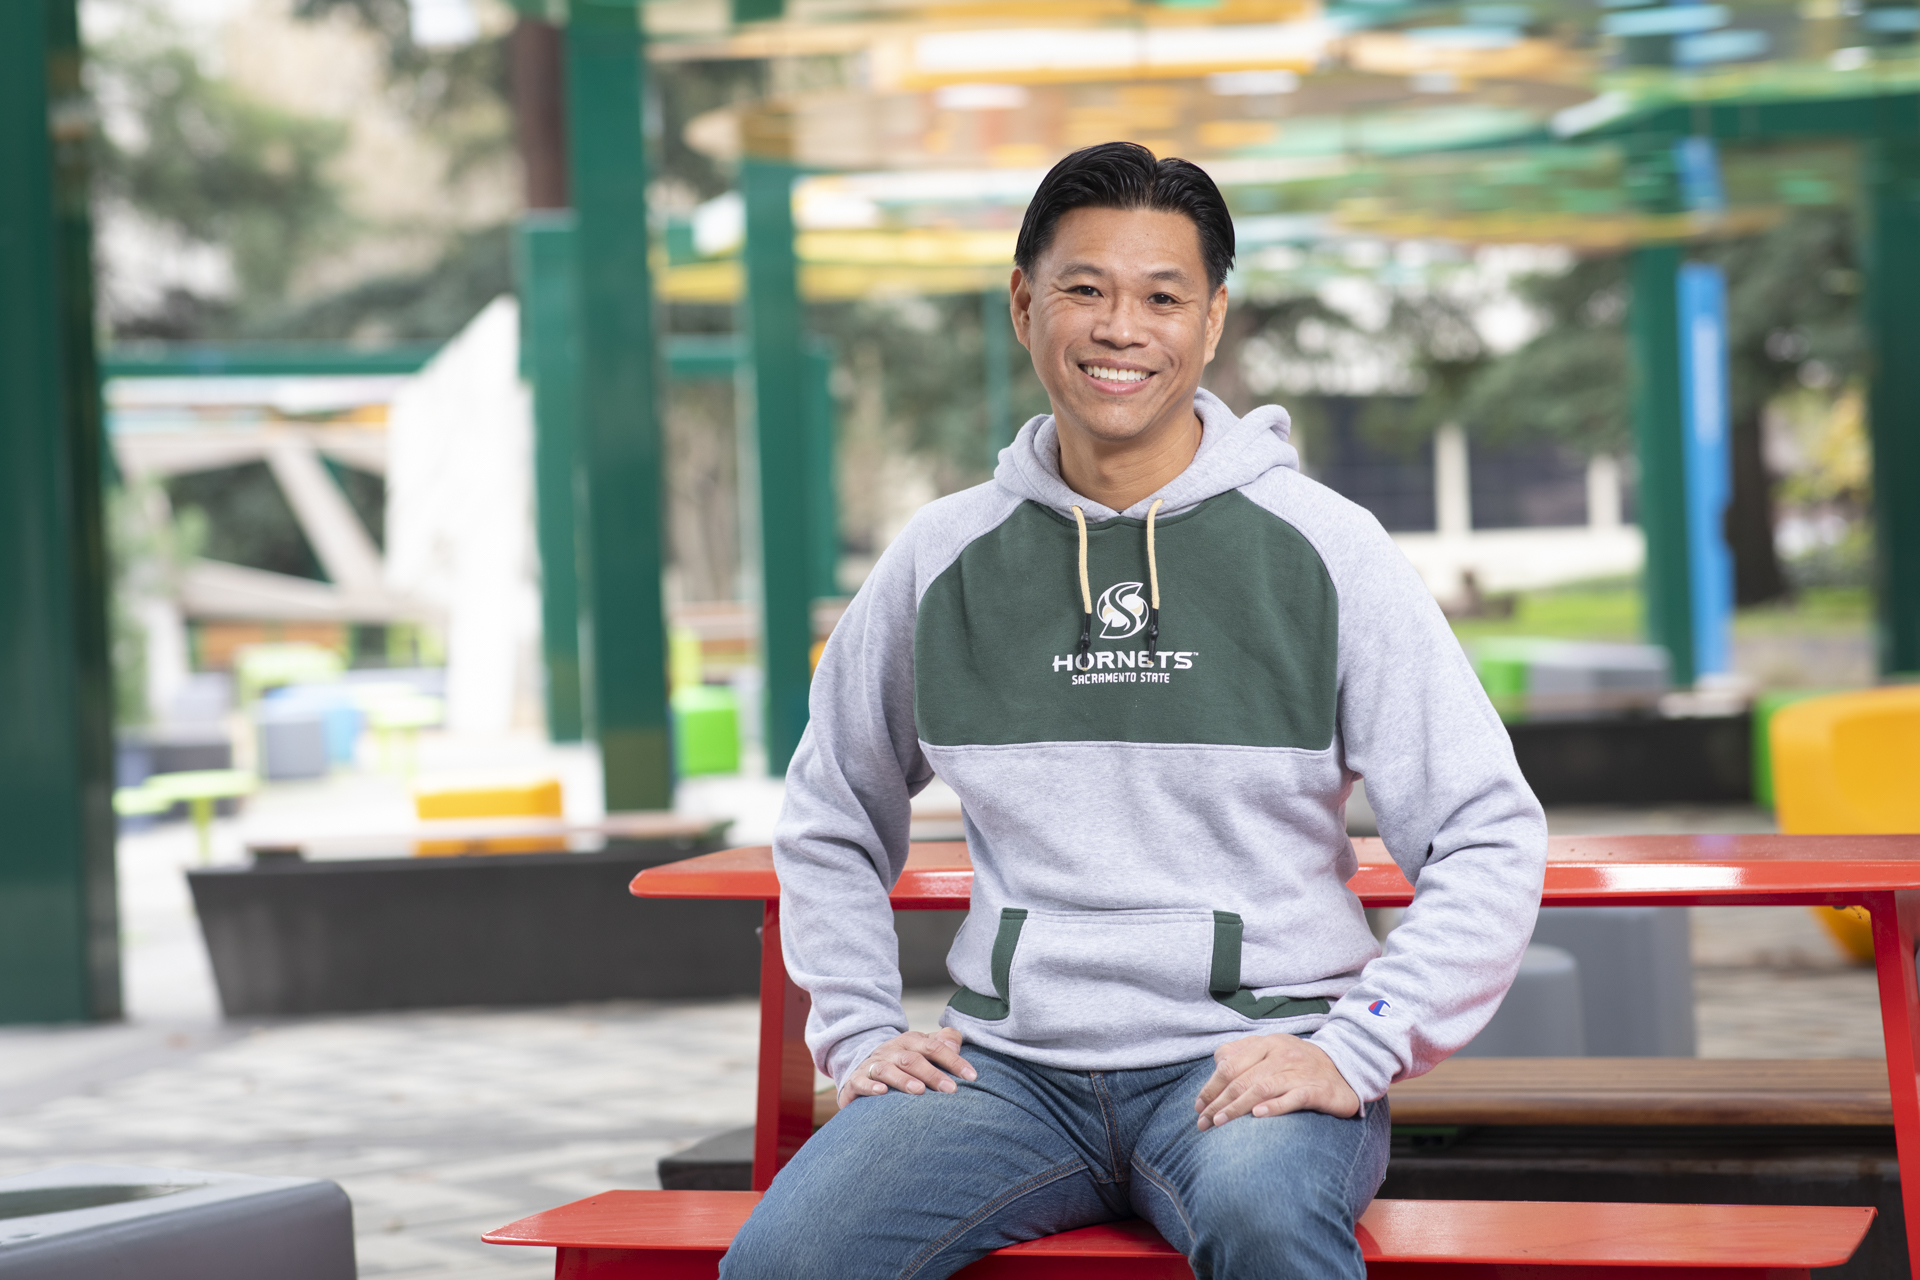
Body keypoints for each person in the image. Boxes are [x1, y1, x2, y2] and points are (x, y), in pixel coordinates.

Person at [719, 141, 1546, 1280]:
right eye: (1084, 289)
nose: (1122, 328)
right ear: (1024, 305)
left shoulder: (1328, 548)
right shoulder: (942, 558)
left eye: (1163, 296)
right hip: (1005, 1071)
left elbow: (1487, 829)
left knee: (1268, 1223)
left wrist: (1359, 1048)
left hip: (1252, 1060)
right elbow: (829, 812)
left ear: (1211, 323)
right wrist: (859, 1028)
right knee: (785, 1259)